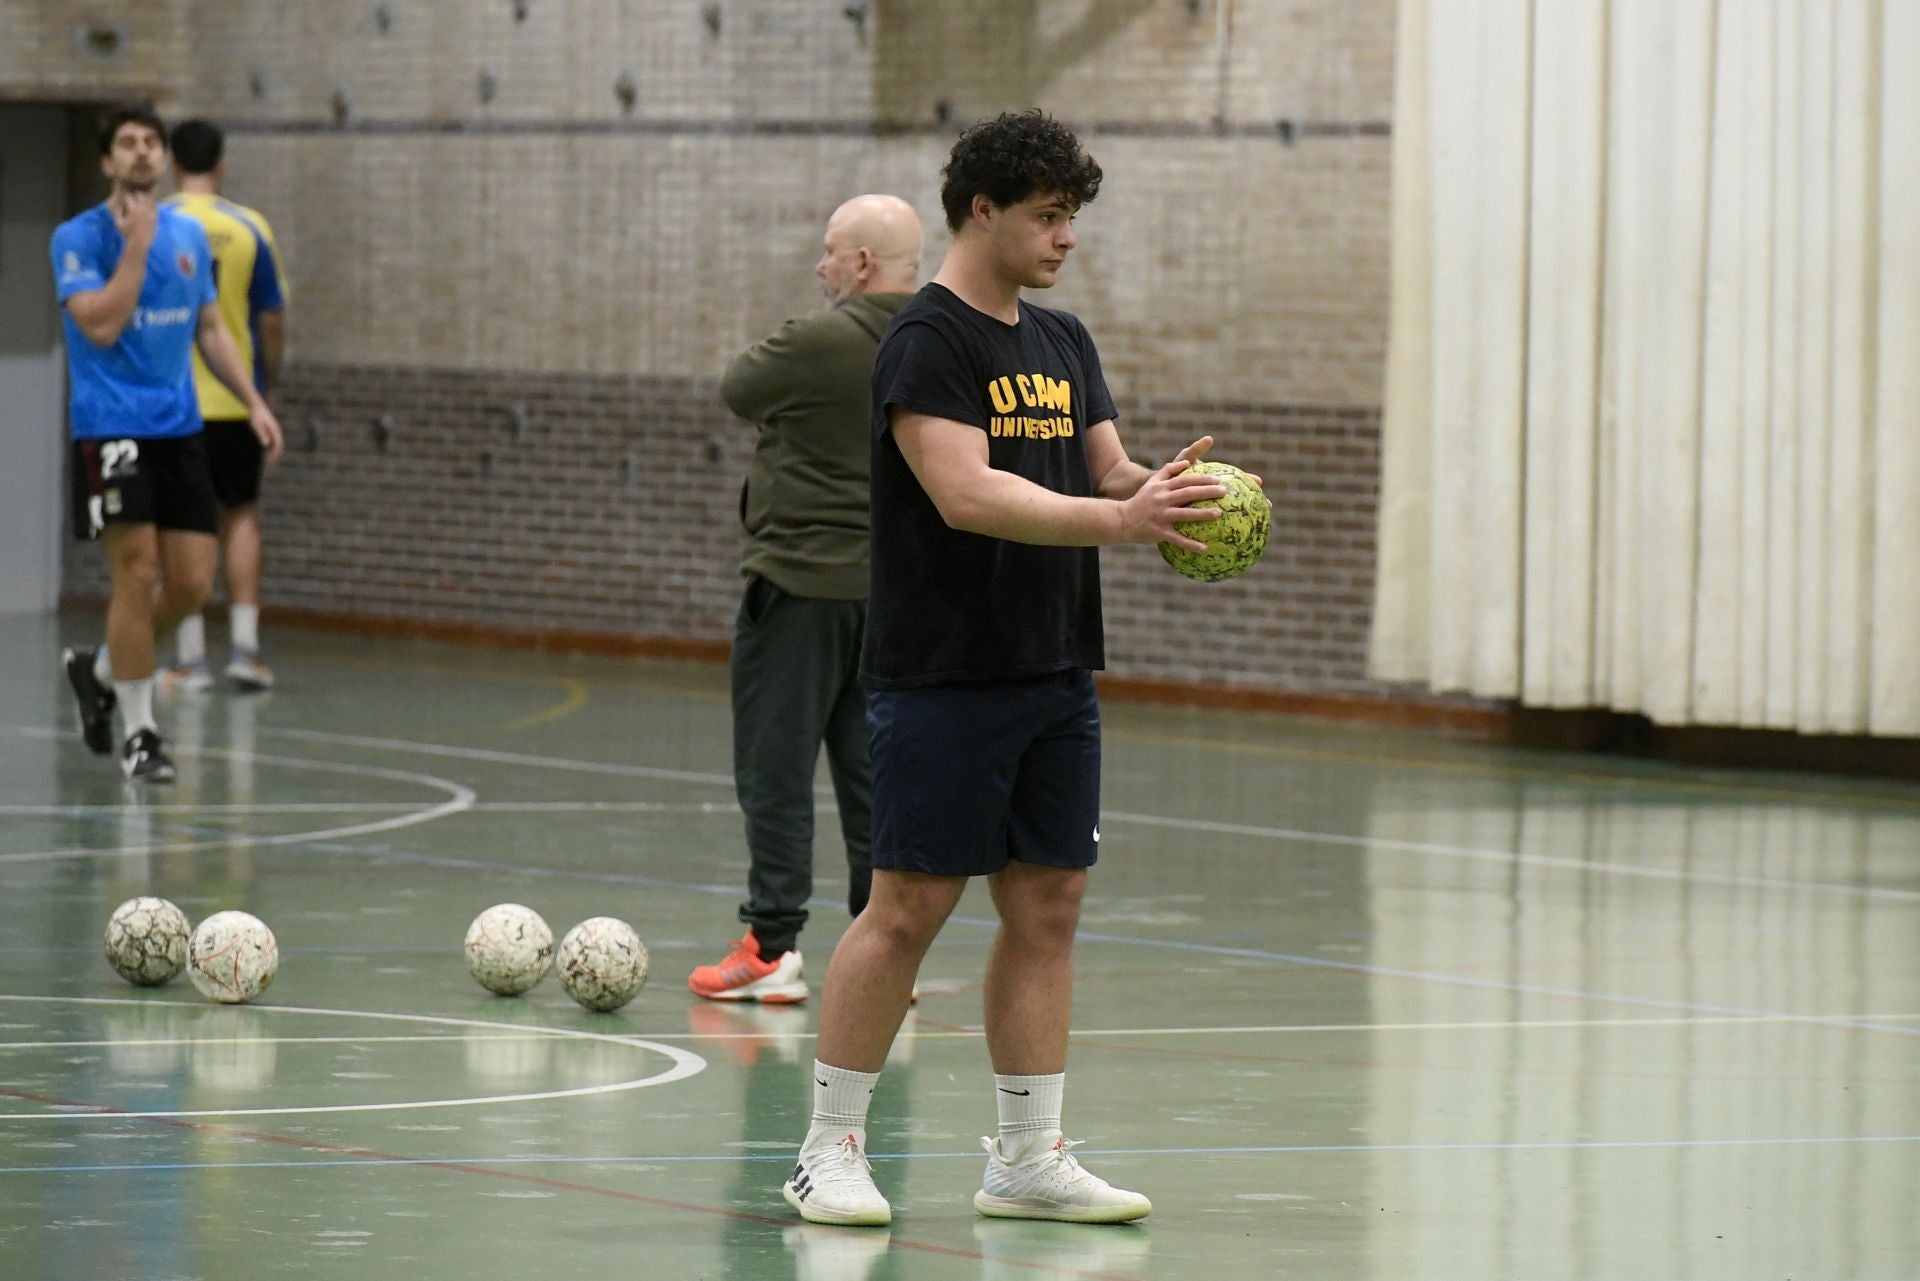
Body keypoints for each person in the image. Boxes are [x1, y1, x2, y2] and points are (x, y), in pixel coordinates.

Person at [780, 110, 1253, 1227]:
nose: (1066, 238)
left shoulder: (1064, 341)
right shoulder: (925, 342)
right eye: (1049, 215)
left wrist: (1165, 492)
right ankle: (827, 1148)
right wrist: (1118, 520)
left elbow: (1104, 468)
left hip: (1053, 669)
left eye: (1072, 217)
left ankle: (1026, 1158)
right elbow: (968, 491)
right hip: (943, 671)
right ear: (981, 209)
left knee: (1049, 902)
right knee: (908, 906)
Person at [689, 195, 923, 1004]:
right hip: (888, 601)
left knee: (775, 768)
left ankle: (772, 945)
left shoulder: (821, 338)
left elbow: (738, 386)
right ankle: (883, 949)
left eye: (829, 252)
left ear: (861, 263)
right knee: (872, 778)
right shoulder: (940, 341)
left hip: (795, 589)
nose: (820, 266)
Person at [54, 105, 285, 783]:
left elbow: (210, 327)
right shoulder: (78, 237)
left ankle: (95, 669)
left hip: (180, 428)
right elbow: (98, 324)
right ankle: (142, 732)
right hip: (110, 428)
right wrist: (134, 245)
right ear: (108, 162)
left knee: (190, 583)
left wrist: (254, 401)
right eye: (127, 144)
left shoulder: (187, 236)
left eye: (151, 143)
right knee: (138, 572)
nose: (142, 153)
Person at [160, 118, 290, 692]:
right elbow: (272, 316)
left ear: (169, 161)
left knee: (181, 526)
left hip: (172, 403)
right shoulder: (248, 227)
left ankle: (190, 659)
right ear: (221, 162)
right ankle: (245, 649)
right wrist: (265, 386)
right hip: (238, 400)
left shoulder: (156, 225)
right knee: (240, 518)